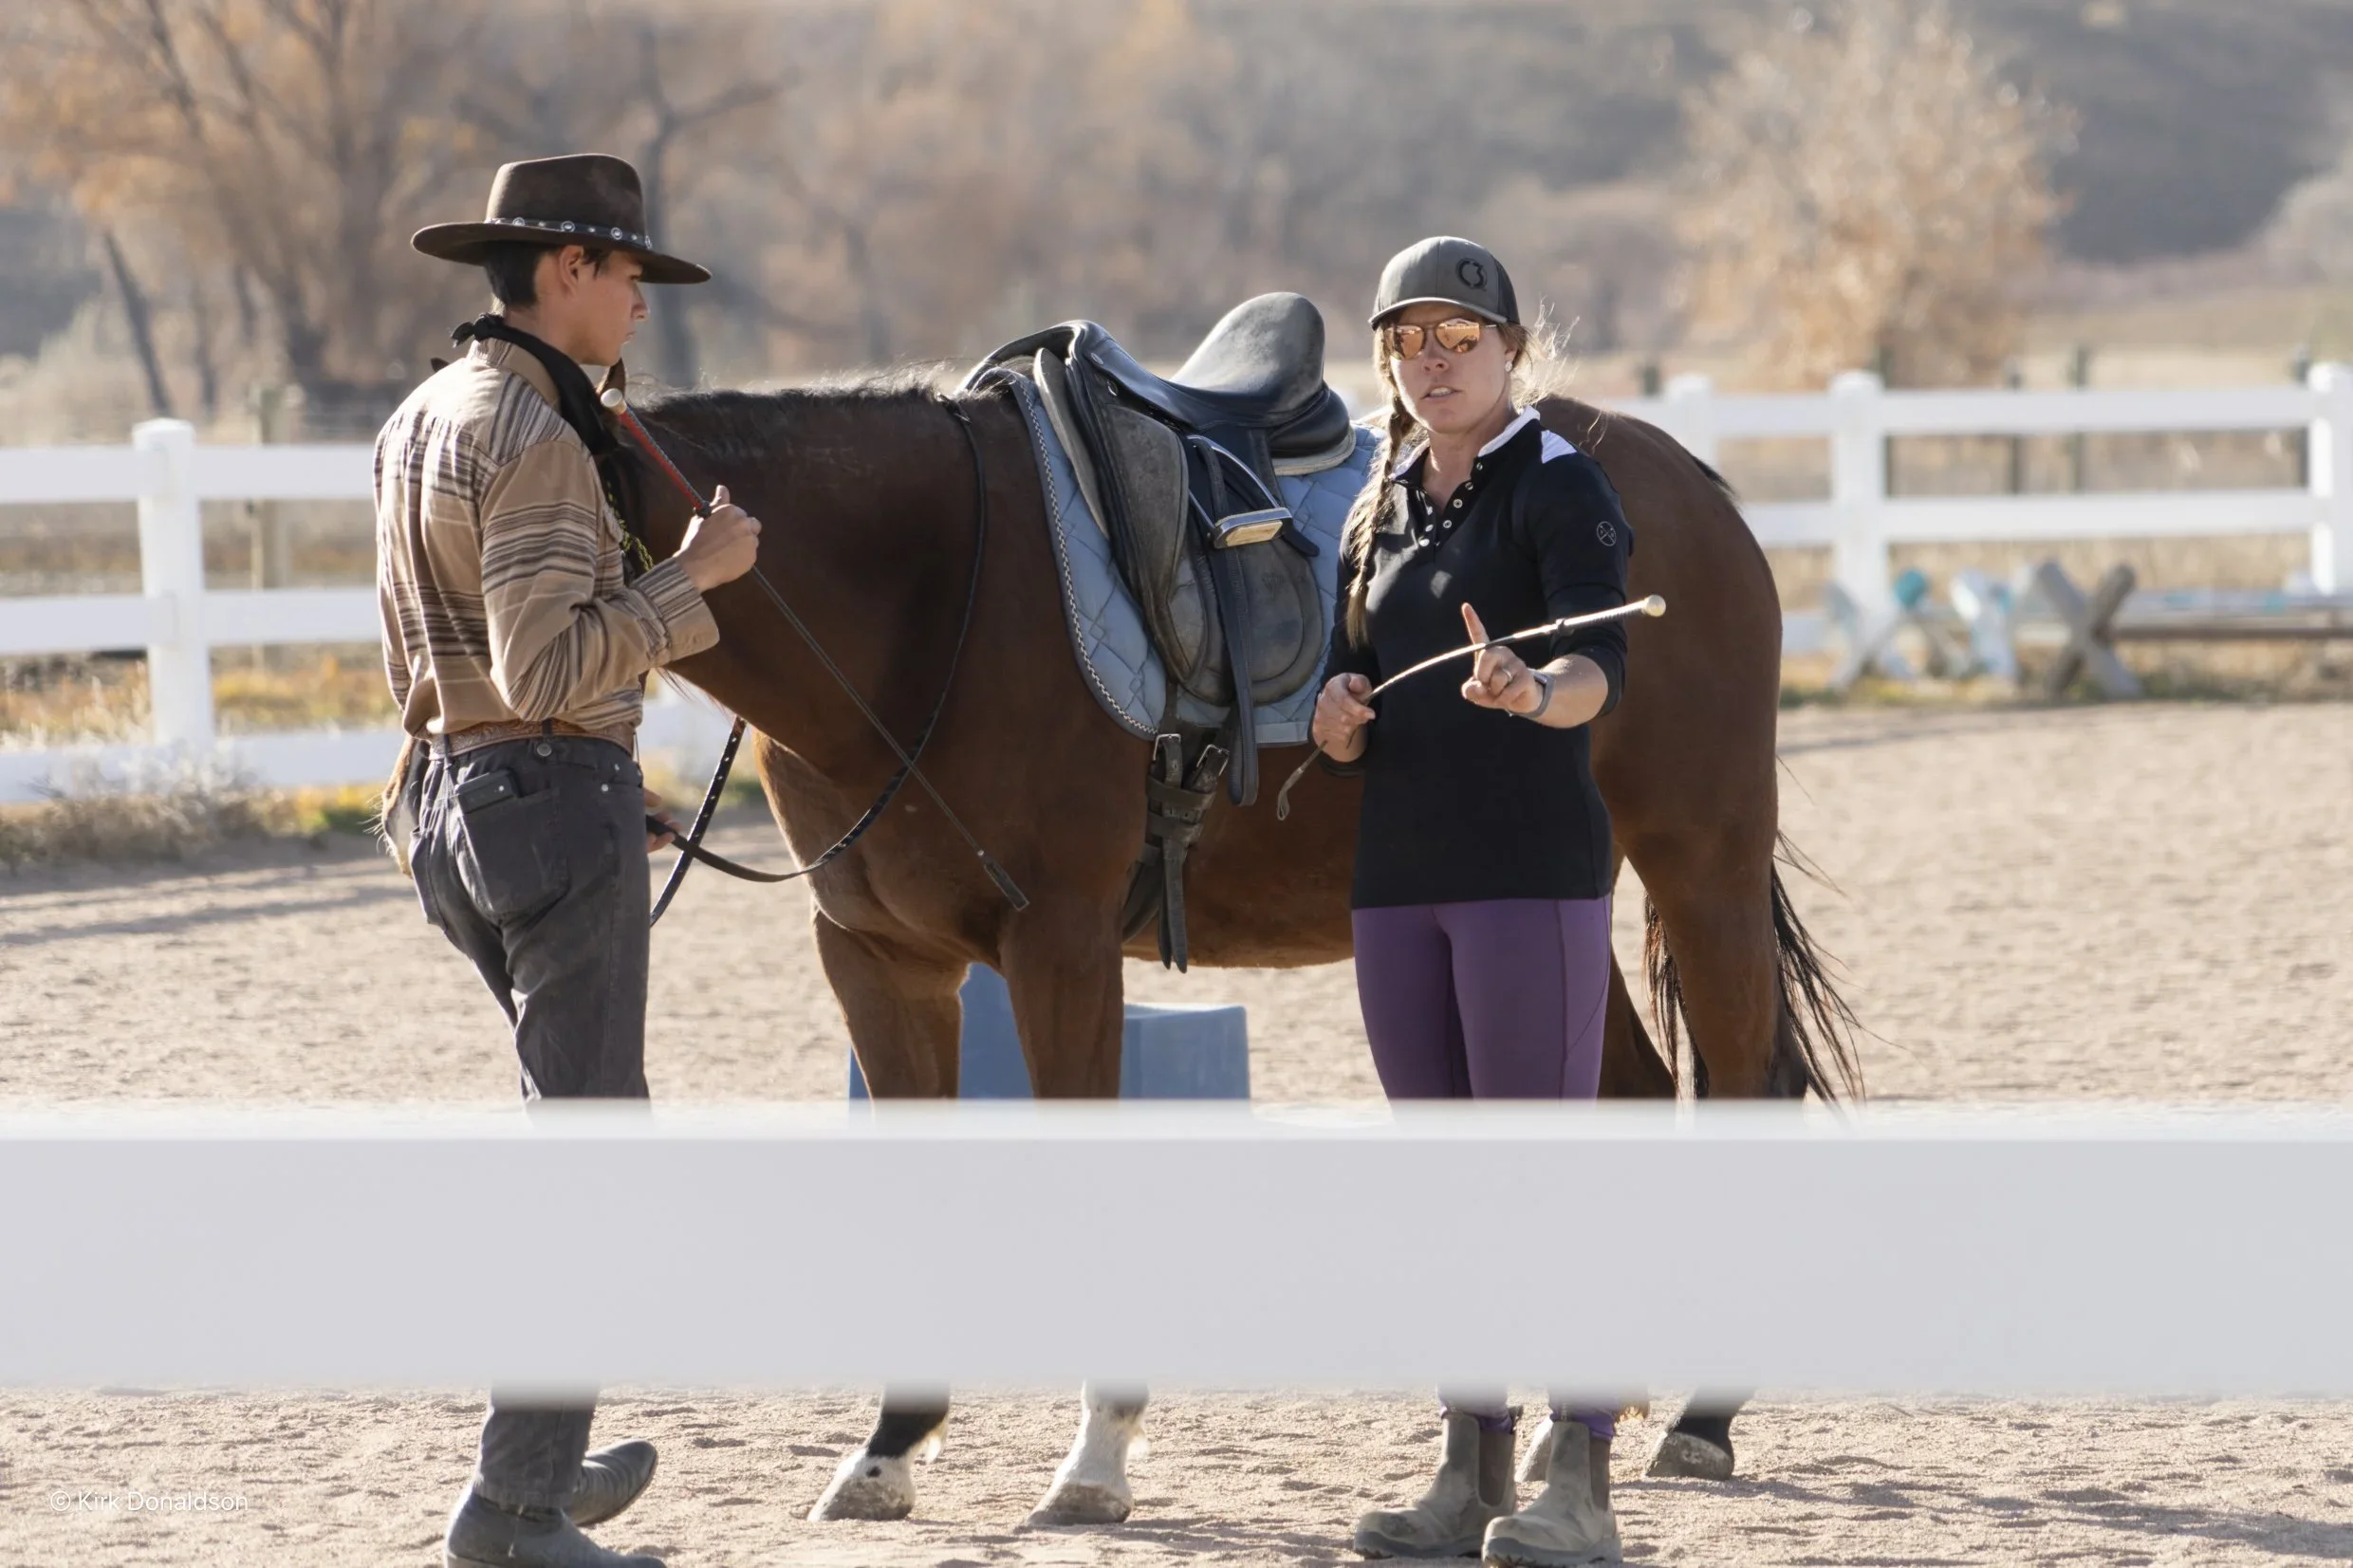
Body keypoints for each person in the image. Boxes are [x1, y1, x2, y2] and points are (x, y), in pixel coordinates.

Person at [377, 153, 763, 1568]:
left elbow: (464, 662)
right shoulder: (537, 436)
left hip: (455, 801)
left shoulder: (426, 410)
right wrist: (692, 579)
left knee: (571, 1133)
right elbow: (550, 655)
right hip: (541, 796)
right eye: (627, 277)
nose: (640, 307)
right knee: (589, 1157)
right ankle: (517, 1504)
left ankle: (534, 1460)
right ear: (563, 272)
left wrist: (599, 779)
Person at [1315, 237, 1633, 1567]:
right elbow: (1352, 681)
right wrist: (1332, 717)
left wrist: (1534, 690)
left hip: (1528, 876)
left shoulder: (1561, 486)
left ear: (1514, 351)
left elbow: (1601, 666)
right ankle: (1468, 1467)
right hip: (1398, 888)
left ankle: (1583, 1479)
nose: (1433, 363)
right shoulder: (1377, 497)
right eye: (1409, 342)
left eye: (1459, 338)